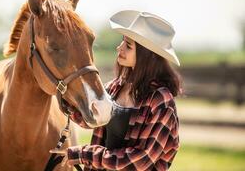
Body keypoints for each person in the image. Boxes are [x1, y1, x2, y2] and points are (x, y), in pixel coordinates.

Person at [50, 10, 182, 171]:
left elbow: (141, 161)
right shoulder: (114, 87)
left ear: (146, 55)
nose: (119, 48)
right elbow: (91, 119)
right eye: (122, 42)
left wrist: (85, 154)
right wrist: (67, 101)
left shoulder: (161, 101)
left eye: (128, 45)